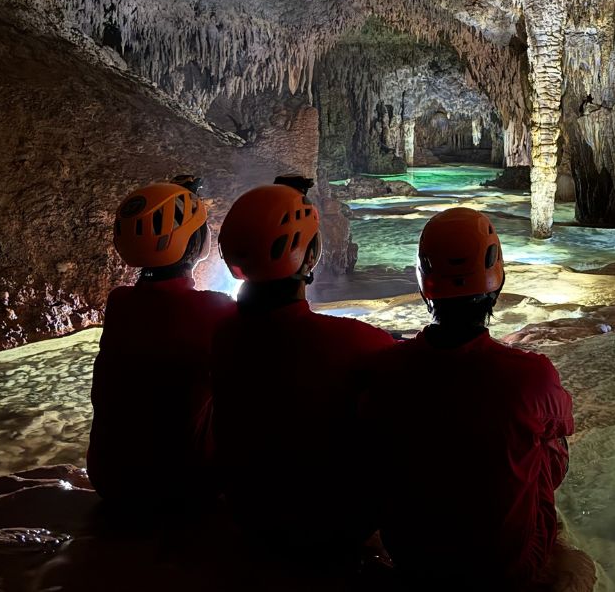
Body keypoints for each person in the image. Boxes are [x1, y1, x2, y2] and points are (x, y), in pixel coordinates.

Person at [359, 206, 576, 590]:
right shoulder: (530, 375)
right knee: (548, 441)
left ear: (425, 283)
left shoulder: (385, 368)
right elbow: (562, 432)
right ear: (496, 282)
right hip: (505, 568)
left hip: (412, 556)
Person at [211, 176, 395, 559]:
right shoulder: (355, 342)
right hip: (333, 528)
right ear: (310, 257)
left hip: (246, 513)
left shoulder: (216, 332)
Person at [87, 175, 236, 514]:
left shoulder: (120, 303)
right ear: (196, 243)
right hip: (184, 486)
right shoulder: (215, 309)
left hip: (111, 480)